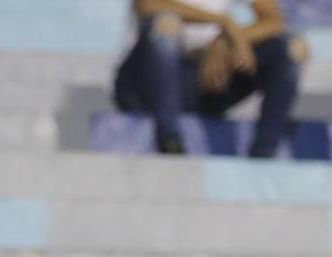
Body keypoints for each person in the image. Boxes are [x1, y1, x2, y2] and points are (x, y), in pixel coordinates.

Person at [114, 0, 306, 156]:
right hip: (146, 84)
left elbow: (274, 22)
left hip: (204, 80)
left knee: (292, 48)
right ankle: (169, 140)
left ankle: (263, 152)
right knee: (166, 24)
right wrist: (221, 22)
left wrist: (224, 40)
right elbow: (147, 5)